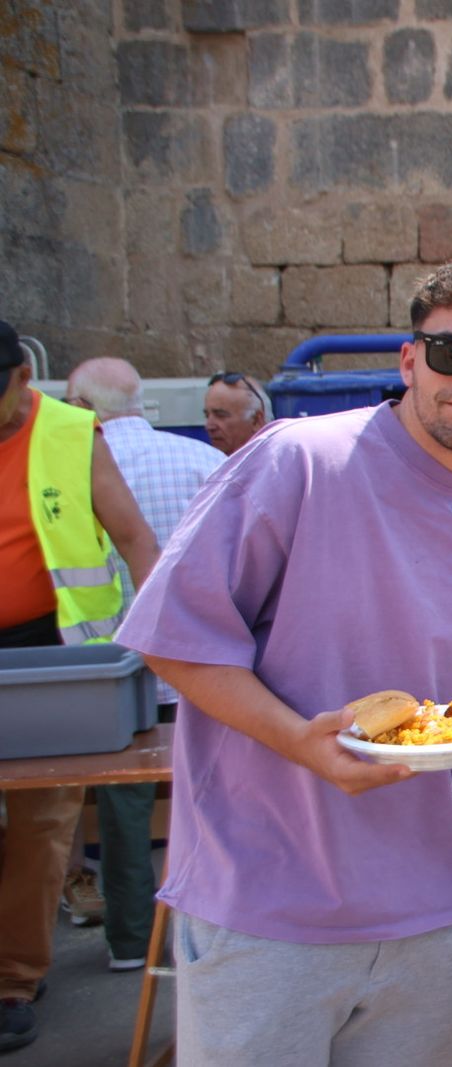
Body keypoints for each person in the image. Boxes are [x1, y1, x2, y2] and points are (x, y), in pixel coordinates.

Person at [114, 255, 452, 1065]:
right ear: (409, 358)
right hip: (265, 903)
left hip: (432, 910)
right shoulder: (297, 459)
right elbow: (174, 637)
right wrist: (296, 740)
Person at [0, 321, 160, 1055]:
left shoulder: (71, 433)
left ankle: (13, 979)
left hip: (54, 658)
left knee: (40, 828)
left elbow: (133, 538)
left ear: (20, 380)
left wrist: (164, 642)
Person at [63, 358, 224, 973]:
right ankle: (213, 934)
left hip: (110, 672)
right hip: (206, 669)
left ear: (80, 406)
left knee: (124, 812)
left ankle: (132, 941)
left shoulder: (70, 465)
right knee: (217, 799)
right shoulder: (203, 462)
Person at [201, 371, 269, 455]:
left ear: (255, 420)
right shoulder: (203, 463)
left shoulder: (278, 465)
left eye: (220, 415)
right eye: (207, 416)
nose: (209, 426)